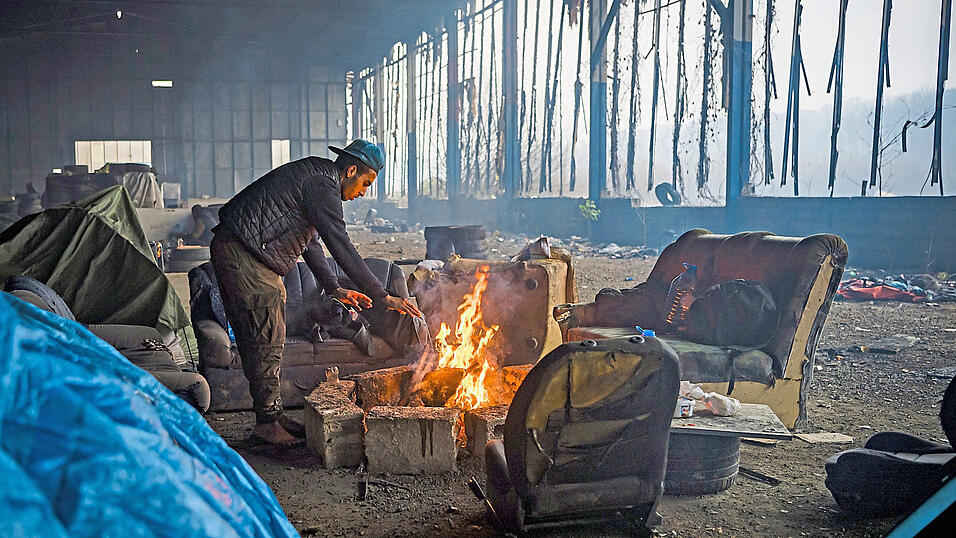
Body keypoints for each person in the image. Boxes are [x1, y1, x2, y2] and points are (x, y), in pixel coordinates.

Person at [210, 139, 422, 446]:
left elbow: (309, 242)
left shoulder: (315, 179)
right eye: (365, 183)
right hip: (245, 253)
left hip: (244, 250)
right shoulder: (323, 185)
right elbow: (340, 243)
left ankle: (271, 415)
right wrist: (381, 295)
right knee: (266, 335)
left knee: (267, 333)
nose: (363, 192)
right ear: (351, 170)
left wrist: (334, 287)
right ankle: (267, 426)